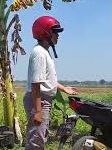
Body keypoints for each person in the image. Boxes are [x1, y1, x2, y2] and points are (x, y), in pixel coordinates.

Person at [23, 16, 79, 149]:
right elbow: (36, 83)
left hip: (42, 100)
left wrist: (64, 88)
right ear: (46, 33)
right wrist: (37, 111)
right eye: (56, 32)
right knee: (36, 140)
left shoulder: (44, 52)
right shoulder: (39, 53)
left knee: (40, 138)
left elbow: (46, 80)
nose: (58, 36)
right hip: (39, 101)